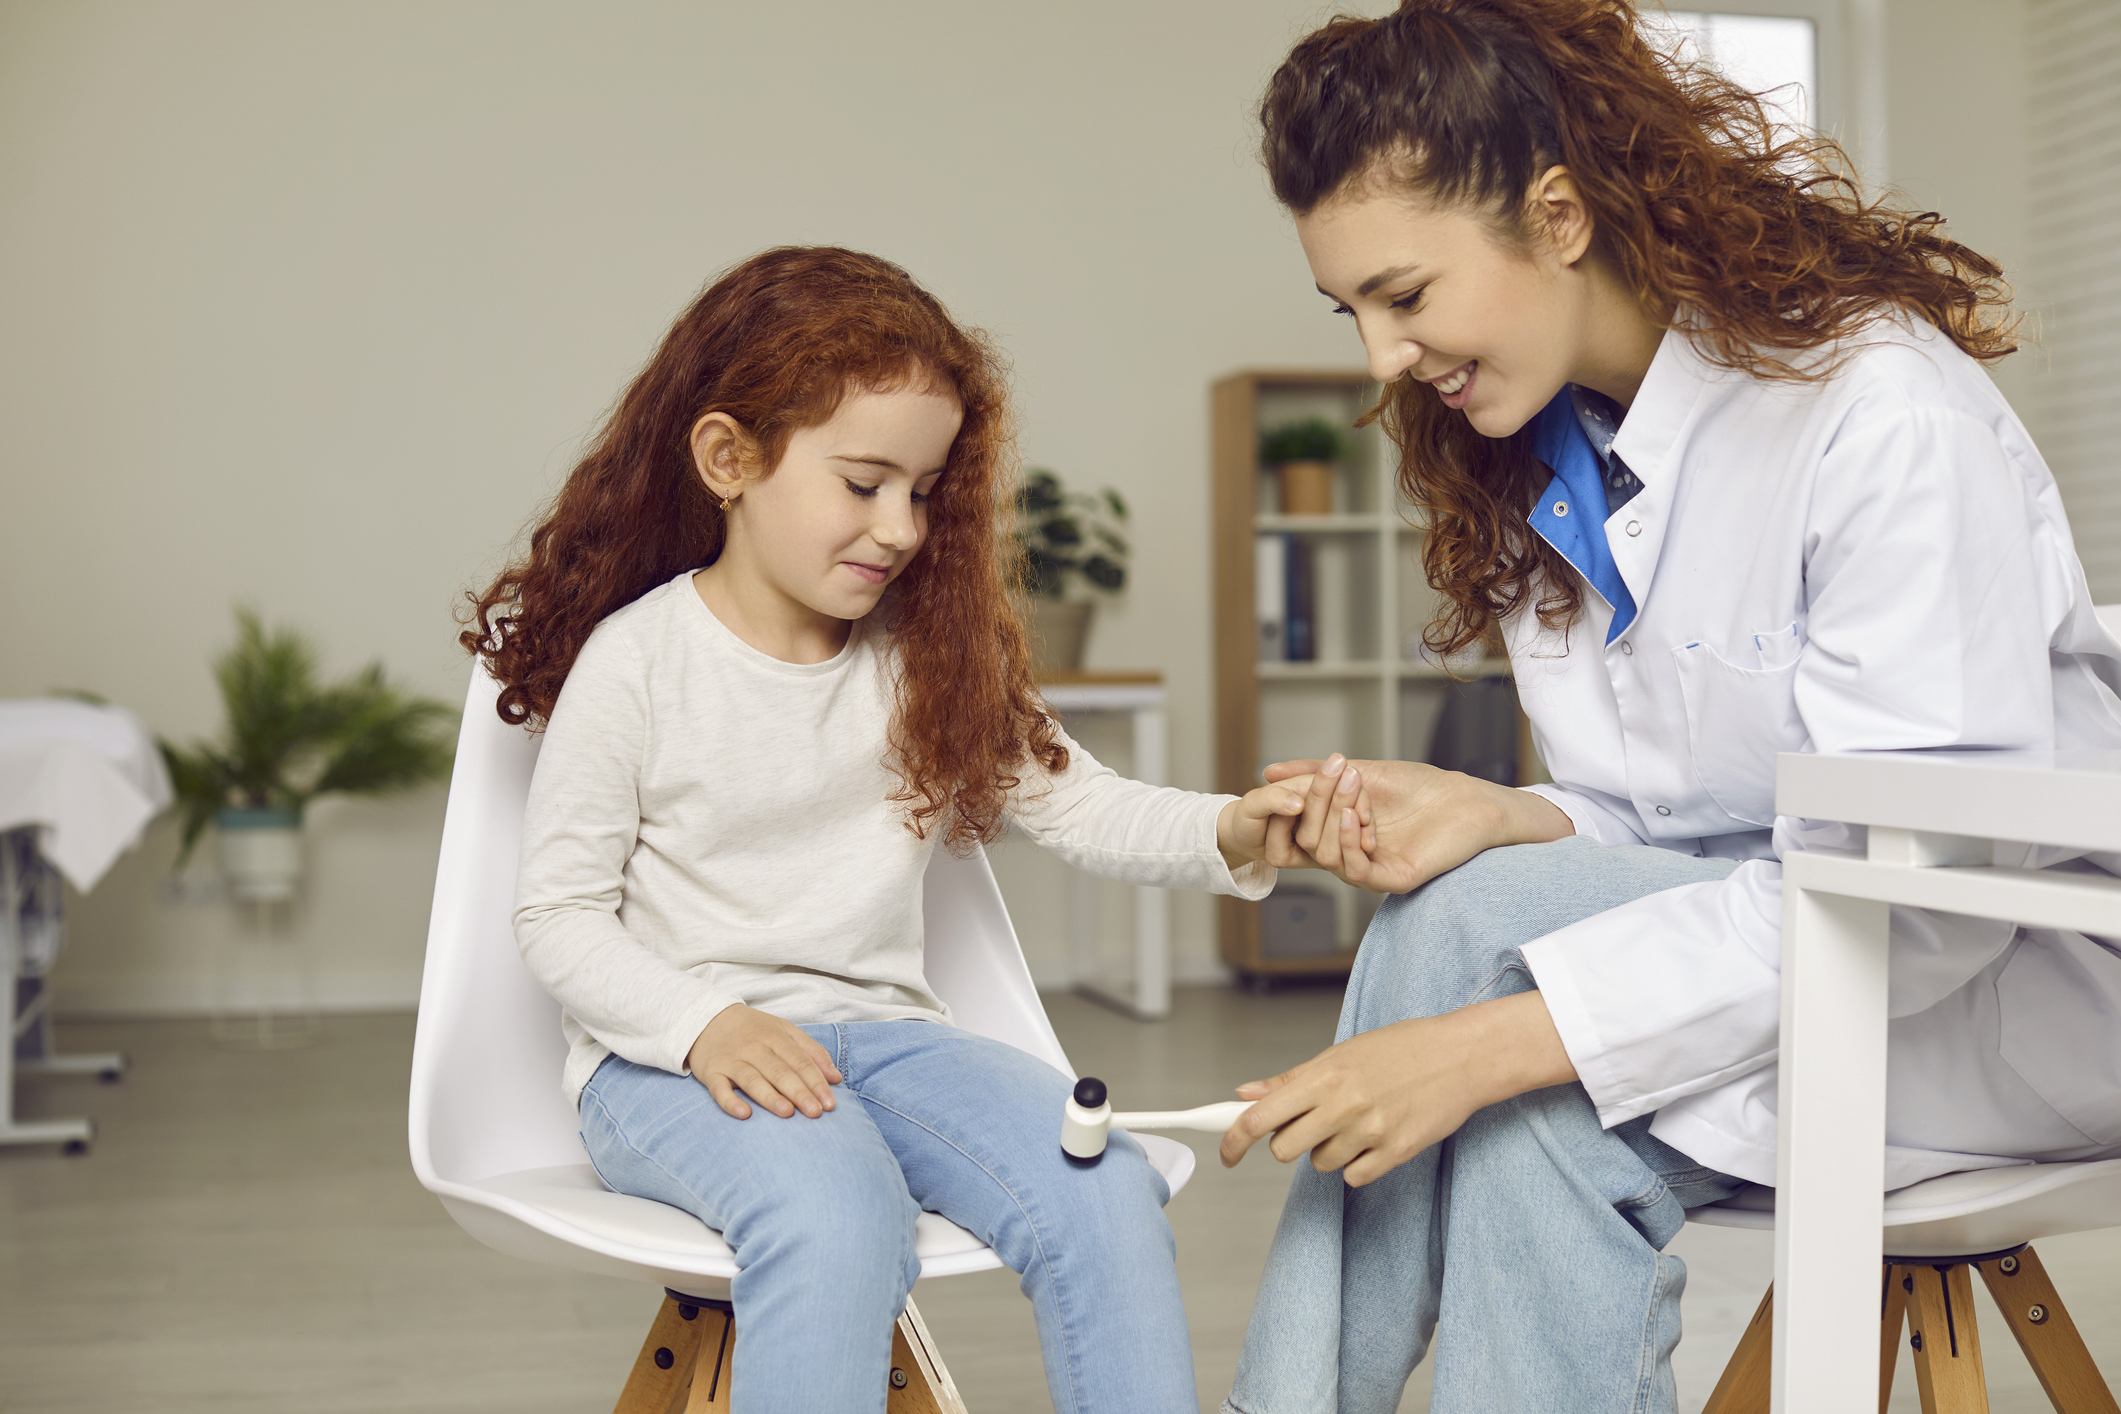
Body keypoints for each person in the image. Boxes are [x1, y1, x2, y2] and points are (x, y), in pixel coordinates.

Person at [1215, 4, 2121, 1412]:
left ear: (1559, 214)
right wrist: (1508, 813)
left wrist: (1487, 1042)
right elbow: (1684, 812)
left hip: (2003, 989)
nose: (1380, 358)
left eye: (1405, 294)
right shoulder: (1541, 453)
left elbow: (1927, 893)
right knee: (1500, 1026)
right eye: (1354, 313)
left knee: (1508, 1046)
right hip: (1799, 957)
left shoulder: (1880, 415)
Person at [463, 247, 1352, 1414]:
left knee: (1103, 1190)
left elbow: (1077, 799)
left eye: (924, 491)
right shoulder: (637, 662)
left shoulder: (922, 660)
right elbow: (559, 918)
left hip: (886, 1042)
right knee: (834, 1217)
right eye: (865, 481)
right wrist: (705, 1024)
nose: (901, 527)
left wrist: (1239, 827)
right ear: (729, 460)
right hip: (670, 1063)